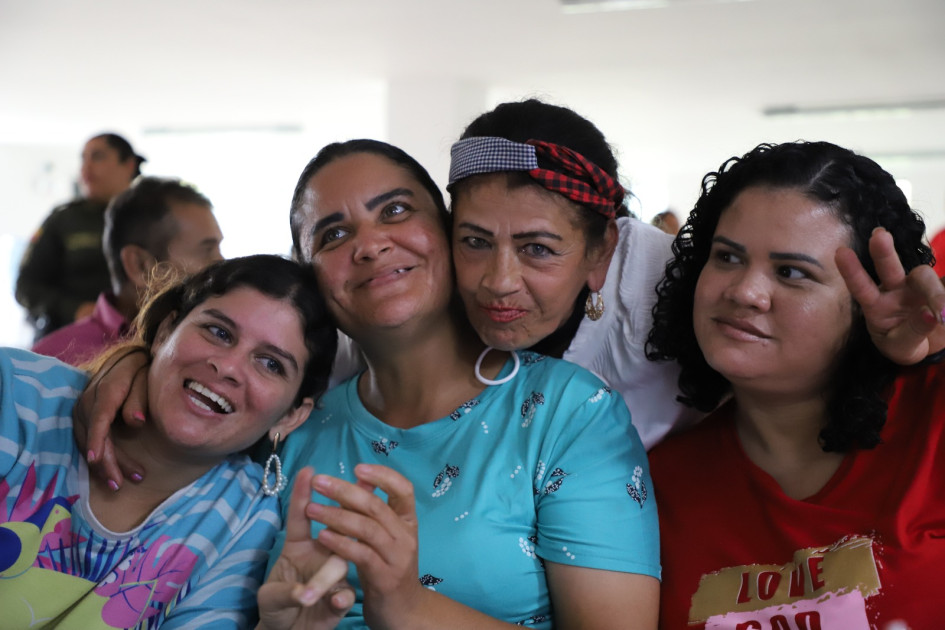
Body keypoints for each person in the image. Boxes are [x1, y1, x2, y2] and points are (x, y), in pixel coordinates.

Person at [265, 139, 660, 628]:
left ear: (447, 232)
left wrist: (408, 607)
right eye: (333, 235)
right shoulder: (294, 431)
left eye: (394, 210)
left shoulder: (572, 415)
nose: (368, 246)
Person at [644, 141, 945, 629]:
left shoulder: (934, 421)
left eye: (791, 272)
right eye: (727, 257)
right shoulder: (655, 485)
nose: (744, 291)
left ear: (865, 301)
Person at [0, 254, 337, 628]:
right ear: (165, 332)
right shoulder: (15, 392)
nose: (227, 367)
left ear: (292, 415)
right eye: (219, 332)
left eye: (271, 363)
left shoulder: (245, 523)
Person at [446, 99, 698, 449]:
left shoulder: (673, 287)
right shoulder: (423, 295)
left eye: (538, 249)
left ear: (600, 252)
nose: (499, 282)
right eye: (475, 241)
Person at [32, 176, 224, 366]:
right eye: (207, 250)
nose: (221, 263)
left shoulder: (218, 353)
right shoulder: (51, 362)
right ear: (140, 265)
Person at [16, 133, 146, 339]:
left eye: (98, 157)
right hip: (66, 341)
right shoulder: (63, 219)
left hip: (134, 341)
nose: (86, 167)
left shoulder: (150, 219)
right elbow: (25, 288)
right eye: (83, 158)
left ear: (129, 165)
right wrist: (75, 309)